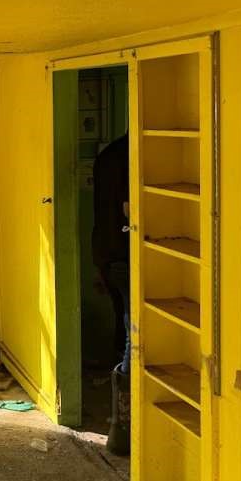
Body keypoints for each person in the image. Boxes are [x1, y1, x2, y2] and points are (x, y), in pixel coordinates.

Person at [92, 133, 130, 455]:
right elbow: (129, 210)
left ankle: (121, 422)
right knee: (135, 335)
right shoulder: (136, 158)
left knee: (125, 325)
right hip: (126, 254)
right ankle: (125, 428)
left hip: (105, 251)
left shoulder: (107, 156)